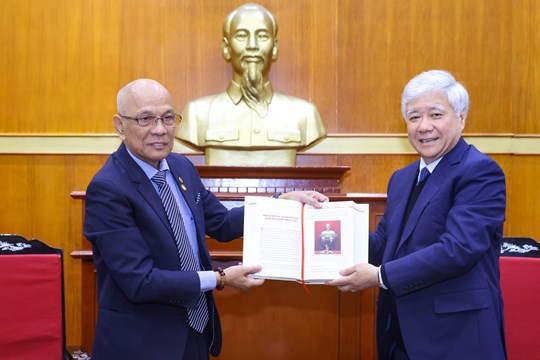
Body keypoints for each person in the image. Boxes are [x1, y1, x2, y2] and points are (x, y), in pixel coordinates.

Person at [83, 78, 328, 359]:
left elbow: (221, 223)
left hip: (194, 333)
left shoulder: (180, 166)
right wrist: (219, 278)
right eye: (145, 119)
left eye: (167, 117)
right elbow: (140, 281)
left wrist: (278, 204)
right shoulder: (109, 188)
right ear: (119, 126)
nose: (160, 129)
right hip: (143, 343)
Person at [327, 70, 507, 359]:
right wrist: (326, 235)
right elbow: (386, 243)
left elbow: (457, 249)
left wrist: (380, 276)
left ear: (461, 118)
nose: (424, 126)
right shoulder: (402, 178)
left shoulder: (479, 171)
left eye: (435, 115)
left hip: (455, 336)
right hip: (399, 334)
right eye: (414, 117)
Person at [175, 3, 327, 166]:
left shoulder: (304, 115)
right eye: (242, 36)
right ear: (226, 48)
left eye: (262, 36)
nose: (252, 45)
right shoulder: (197, 114)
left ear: (274, 48)